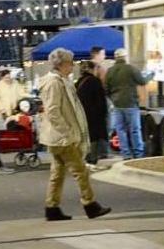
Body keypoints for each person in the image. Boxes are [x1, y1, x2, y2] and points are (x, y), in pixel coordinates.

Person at [39, 48, 110, 221]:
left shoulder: (61, 81)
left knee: (57, 173)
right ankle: (90, 204)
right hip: (62, 138)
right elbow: (53, 111)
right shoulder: (55, 83)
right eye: (70, 62)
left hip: (57, 137)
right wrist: (67, 132)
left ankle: (52, 207)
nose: (73, 66)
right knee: (81, 171)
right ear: (62, 64)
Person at [105, 48, 152, 160]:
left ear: (116, 58)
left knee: (121, 130)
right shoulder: (131, 69)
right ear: (125, 57)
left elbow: (106, 89)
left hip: (117, 105)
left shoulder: (110, 71)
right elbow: (142, 81)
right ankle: (138, 153)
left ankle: (126, 154)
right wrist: (152, 74)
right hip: (131, 104)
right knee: (134, 130)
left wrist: (113, 99)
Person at [75, 61, 108, 171]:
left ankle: (86, 158)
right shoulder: (95, 81)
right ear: (92, 69)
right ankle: (93, 159)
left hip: (82, 114)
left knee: (86, 136)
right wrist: (104, 114)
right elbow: (101, 100)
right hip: (95, 115)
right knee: (95, 136)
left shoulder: (78, 82)